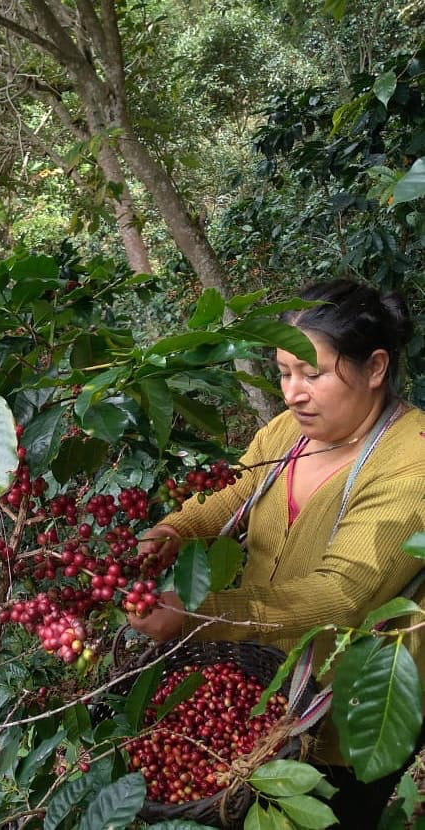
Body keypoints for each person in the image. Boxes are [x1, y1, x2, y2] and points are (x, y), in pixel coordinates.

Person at [127, 279, 425, 828]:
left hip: (350, 713)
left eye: (313, 374)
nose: (293, 392)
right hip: (264, 688)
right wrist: (170, 530)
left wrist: (201, 614)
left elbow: (340, 596)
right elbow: (233, 492)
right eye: (285, 372)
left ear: (376, 368)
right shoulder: (290, 432)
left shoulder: (412, 464)